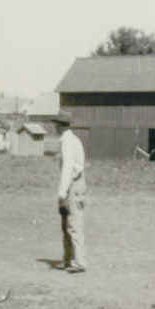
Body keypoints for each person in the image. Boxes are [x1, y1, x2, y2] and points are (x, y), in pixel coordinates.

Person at [54, 111, 87, 273]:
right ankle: (68, 259)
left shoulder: (67, 142)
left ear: (59, 126)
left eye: (56, 124)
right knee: (67, 223)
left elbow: (68, 168)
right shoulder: (72, 140)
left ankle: (79, 262)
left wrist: (62, 192)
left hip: (73, 186)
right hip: (75, 185)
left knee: (73, 224)